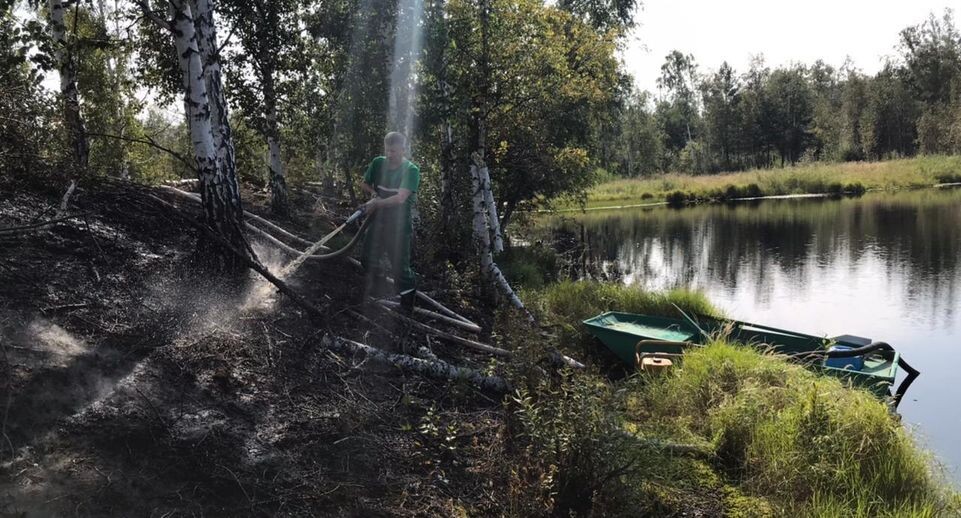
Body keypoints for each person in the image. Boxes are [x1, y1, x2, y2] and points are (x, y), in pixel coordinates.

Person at [359, 132, 420, 312]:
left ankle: (407, 306)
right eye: (387, 150)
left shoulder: (411, 170)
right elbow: (364, 183)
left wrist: (377, 203)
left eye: (393, 151)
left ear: (403, 149)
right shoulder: (378, 163)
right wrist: (373, 194)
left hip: (399, 225)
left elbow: (400, 198)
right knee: (367, 257)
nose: (390, 155)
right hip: (378, 220)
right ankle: (380, 290)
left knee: (400, 267)